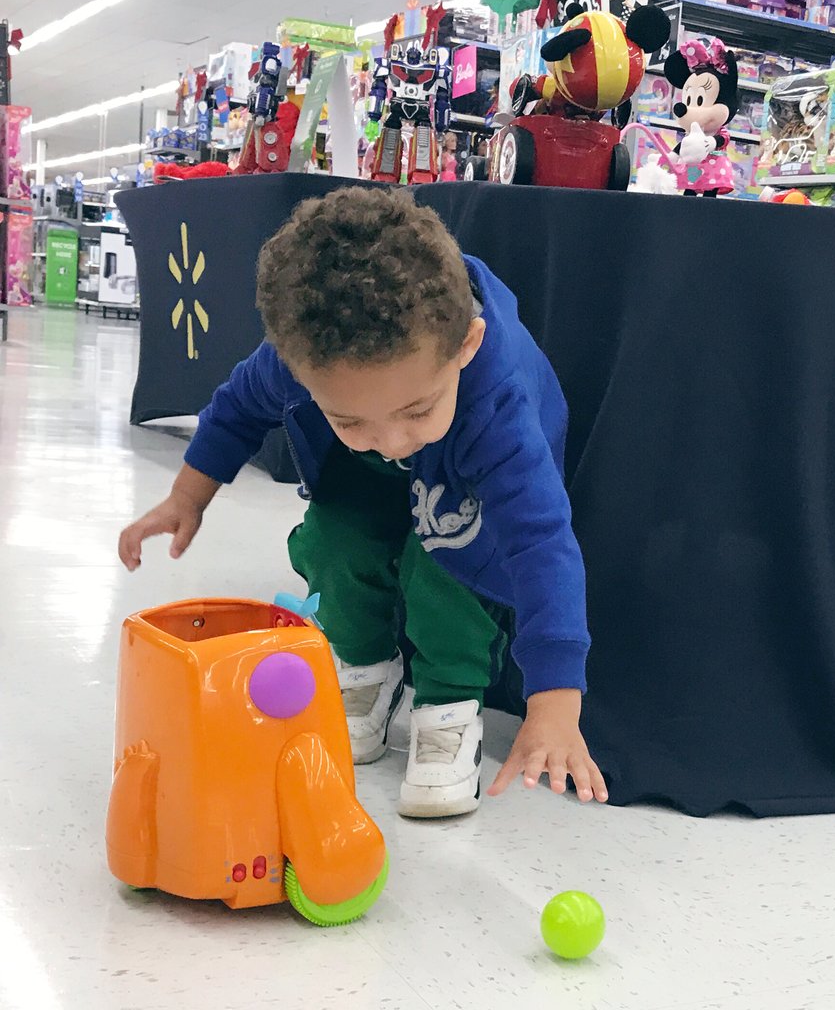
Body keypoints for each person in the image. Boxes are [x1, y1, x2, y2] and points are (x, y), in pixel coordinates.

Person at [118, 187, 607, 819]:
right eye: (349, 418)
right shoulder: (299, 362)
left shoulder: (498, 405)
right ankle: (368, 668)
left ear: (466, 346)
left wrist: (555, 702)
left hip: (471, 470)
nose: (392, 439)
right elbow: (236, 408)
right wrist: (187, 496)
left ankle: (448, 701)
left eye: (416, 410)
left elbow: (541, 543)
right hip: (366, 471)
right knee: (333, 541)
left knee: (449, 570)